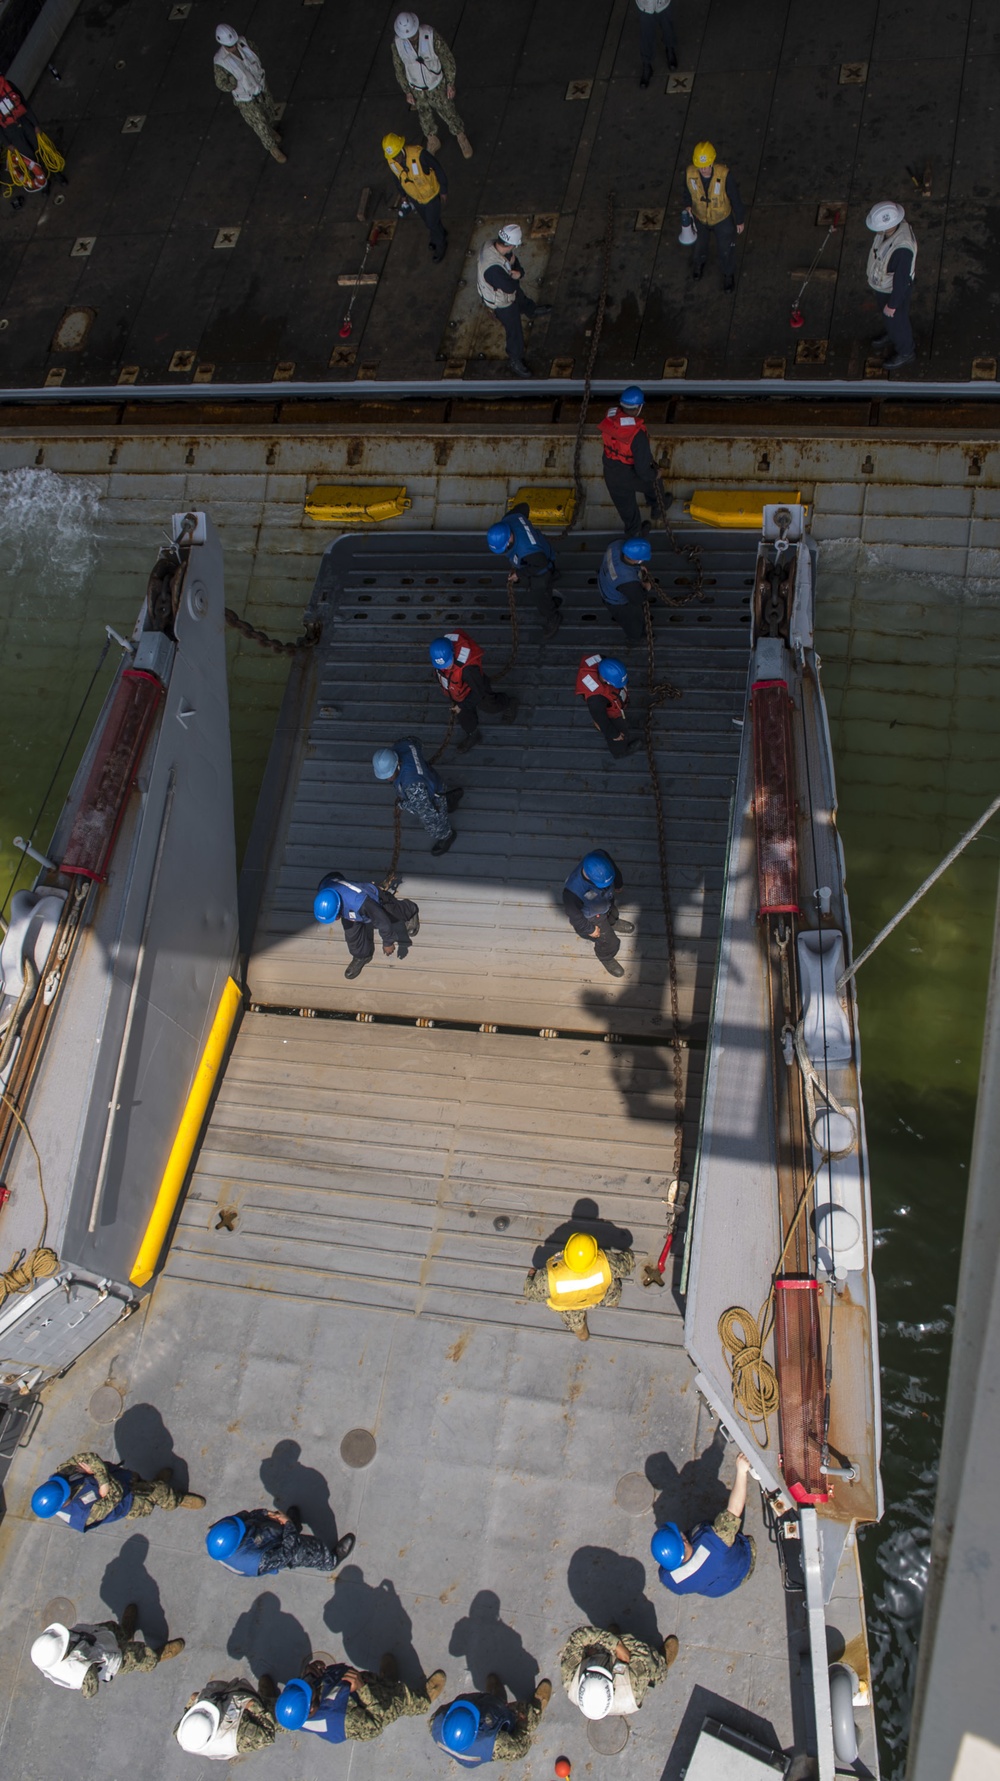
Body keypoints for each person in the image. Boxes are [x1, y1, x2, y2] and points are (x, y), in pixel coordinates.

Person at [276, 1652, 447, 1742]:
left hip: (352, 1688)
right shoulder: (342, 1720)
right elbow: (375, 1725)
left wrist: (310, 1673)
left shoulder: (293, 1712)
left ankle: (388, 1681)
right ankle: (422, 1701)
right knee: (397, 1701)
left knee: (381, 1683)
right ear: (312, 1708)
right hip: (369, 1706)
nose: (308, 1683)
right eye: (308, 1687)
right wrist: (363, 1689)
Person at [652, 1451, 757, 1597]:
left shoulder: (670, 1579)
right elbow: (734, 1511)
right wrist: (741, 1471)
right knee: (734, 1531)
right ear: (683, 1541)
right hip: (742, 1568)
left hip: (718, 1588)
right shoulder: (715, 1541)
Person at [31, 1607, 184, 1697]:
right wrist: (88, 1670)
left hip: (99, 1637)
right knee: (140, 1656)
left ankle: (126, 1632)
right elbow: (89, 1691)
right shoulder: (74, 1670)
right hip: (113, 1658)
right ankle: (157, 1655)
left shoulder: (46, 1652)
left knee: (114, 1630)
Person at [31, 1450, 205, 1529]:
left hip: (120, 1477)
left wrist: (102, 1481)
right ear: (63, 1503)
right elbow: (115, 1496)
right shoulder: (82, 1515)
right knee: (155, 1494)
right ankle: (176, 1500)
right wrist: (101, 1476)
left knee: (141, 1481)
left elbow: (88, 1457)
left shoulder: (61, 1477)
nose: (67, 1484)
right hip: (128, 1501)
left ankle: (156, 1483)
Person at [521, 1233, 636, 1340]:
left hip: (569, 1306)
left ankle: (583, 1335)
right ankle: (612, 1302)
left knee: (575, 1323)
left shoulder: (550, 1277)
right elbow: (627, 1265)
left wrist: (530, 1276)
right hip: (598, 1297)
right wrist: (628, 1254)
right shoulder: (606, 1263)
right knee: (612, 1283)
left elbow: (530, 1293)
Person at [392, 12, 472, 158]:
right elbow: (399, 68)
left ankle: (461, 137)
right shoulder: (397, 44)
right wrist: (407, 91)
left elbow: (446, 58)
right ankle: (432, 140)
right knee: (424, 115)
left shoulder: (430, 35)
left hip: (436, 83)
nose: (412, 37)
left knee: (448, 110)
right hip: (416, 87)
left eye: (413, 34)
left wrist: (450, 83)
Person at [313, 871, 420, 981]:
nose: (336, 919)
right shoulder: (325, 888)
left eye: (335, 916)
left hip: (372, 901)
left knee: (392, 913)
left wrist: (388, 942)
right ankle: (362, 956)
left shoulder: (360, 902)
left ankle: (411, 910)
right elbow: (334, 875)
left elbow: (382, 921)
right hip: (350, 908)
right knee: (352, 935)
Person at [559, 1622, 678, 1719]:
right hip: (628, 1680)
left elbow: (578, 1636)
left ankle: (611, 1637)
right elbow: (643, 1654)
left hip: (599, 1657)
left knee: (603, 1641)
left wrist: (615, 1644)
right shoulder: (632, 1690)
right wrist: (620, 1648)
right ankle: (661, 1666)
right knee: (648, 1661)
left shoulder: (570, 1679)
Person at [477, 224, 552, 378]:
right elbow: (510, 287)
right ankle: (515, 359)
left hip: (505, 290)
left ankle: (532, 310)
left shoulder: (490, 245)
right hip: (501, 302)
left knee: (521, 298)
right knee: (514, 330)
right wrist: (518, 274)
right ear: (511, 245)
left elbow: (513, 262)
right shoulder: (494, 269)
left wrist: (516, 270)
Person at [430, 1677, 552, 1765]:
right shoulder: (490, 1742)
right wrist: (521, 1724)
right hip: (486, 1745)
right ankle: (537, 1708)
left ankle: (496, 1698)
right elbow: (519, 1750)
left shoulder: (436, 1724)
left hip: (468, 1756)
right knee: (523, 1718)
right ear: (477, 1730)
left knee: (488, 1703)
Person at [205, 1505, 356, 1576]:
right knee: (310, 1551)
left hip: (262, 1536)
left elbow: (245, 1516)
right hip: (278, 1550)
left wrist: (266, 1513)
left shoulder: (224, 1533)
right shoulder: (257, 1560)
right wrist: (288, 1525)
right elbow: (287, 1553)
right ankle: (330, 1561)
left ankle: (291, 1525)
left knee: (278, 1525)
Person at [429, 631, 515, 753]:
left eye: (447, 664)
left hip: (475, 686)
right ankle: (473, 734)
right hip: (458, 691)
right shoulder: (441, 661)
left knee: (491, 706)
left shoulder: (468, 670)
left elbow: (479, 692)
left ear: (453, 653)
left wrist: (462, 706)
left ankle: (509, 702)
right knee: (465, 718)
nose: (445, 668)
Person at [373, 738, 461, 856]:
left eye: (390, 775)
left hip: (432, 796)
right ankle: (450, 801)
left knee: (434, 824)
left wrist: (402, 805)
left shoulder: (412, 786)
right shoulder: (405, 745)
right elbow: (417, 742)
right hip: (432, 780)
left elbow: (424, 810)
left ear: (397, 764)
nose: (388, 779)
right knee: (440, 795)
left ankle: (447, 835)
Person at [213, 24, 286, 163]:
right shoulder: (220, 62)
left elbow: (256, 53)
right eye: (230, 46)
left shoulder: (245, 43)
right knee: (259, 123)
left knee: (269, 111)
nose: (233, 47)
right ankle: (272, 148)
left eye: (234, 44)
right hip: (246, 98)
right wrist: (232, 83)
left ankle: (271, 131)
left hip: (261, 87)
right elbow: (221, 84)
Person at [486, 505, 561, 640]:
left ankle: (553, 617)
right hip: (543, 547)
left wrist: (519, 574)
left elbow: (541, 564)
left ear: (509, 538)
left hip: (542, 565)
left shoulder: (527, 549)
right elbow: (524, 507)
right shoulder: (510, 518)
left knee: (537, 594)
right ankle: (553, 574)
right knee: (546, 566)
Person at [600, 386, 664, 536]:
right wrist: (656, 474)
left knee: (627, 509)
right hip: (628, 473)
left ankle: (634, 532)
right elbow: (643, 472)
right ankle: (658, 507)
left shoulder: (610, 416)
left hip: (610, 471)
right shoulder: (638, 435)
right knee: (655, 483)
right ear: (639, 408)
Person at [562, 849, 634, 980]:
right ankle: (605, 956)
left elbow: (614, 870)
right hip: (593, 916)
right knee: (609, 941)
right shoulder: (572, 892)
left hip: (606, 901)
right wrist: (589, 929)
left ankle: (613, 922)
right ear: (588, 876)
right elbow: (575, 917)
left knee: (613, 913)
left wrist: (618, 883)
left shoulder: (600, 855)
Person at [686, 141, 746, 291]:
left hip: (722, 219)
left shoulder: (724, 175)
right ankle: (699, 263)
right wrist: (688, 206)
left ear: (712, 162)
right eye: (701, 167)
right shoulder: (690, 174)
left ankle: (728, 274)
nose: (704, 170)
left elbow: (735, 198)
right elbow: (686, 193)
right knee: (699, 245)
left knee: (726, 249)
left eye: (707, 166)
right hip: (700, 218)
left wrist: (739, 220)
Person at [0, 73, 65, 209]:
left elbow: (24, 103)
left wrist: (35, 124)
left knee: (42, 150)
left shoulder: (8, 84)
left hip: (25, 123)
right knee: (30, 159)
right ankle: (44, 184)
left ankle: (57, 174)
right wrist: (8, 144)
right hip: (12, 134)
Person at [865, 200, 917, 372]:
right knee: (890, 319)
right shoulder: (891, 232)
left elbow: (901, 282)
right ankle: (892, 332)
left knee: (897, 320)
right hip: (884, 287)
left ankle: (906, 351)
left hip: (893, 292)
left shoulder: (902, 250)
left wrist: (893, 305)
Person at [382, 131, 448, 262]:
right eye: (393, 157)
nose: (396, 160)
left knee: (431, 223)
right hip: (415, 198)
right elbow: (397, 178)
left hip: (431, 197)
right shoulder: (392, 162)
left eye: (397, 156)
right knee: (429, 221)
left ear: (402, 148)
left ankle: (441, 245)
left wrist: (444, 190)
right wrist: (403, 195)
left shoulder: (419, 155)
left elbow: (438, 168)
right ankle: (440, 234)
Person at [175, 1677, 277, 1759]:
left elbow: (184, 1721)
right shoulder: (234, 1738)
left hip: (227, 1697)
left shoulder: (181, 1734)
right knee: (277, 1716)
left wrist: (191, 1704)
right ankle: (270, 1701)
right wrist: (254, 1707)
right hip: (238, 1724)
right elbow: (268, 1736)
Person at [575, 653, 641, 762]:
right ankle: (620, 752)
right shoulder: (595, 699)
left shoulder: (602, 660)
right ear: (606, 680)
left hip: (605, 699)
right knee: (619, 734)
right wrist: (614, 734)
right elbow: (601, 719)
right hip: (606, 710)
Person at [599, 535, 654, 647]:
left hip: (604, 582)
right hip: (615, 601)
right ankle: (634, 638)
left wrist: (637, 568)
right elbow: (637, 599)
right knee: (632, 622)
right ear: (636, 559)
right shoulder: (627, 580)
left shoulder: (616, 543)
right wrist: (647, 587)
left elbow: (620, 562)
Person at [635, 0, 678, 87]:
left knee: (667, 27)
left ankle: (670, 49)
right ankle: (647, 65)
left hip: (663, 3)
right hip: (645, 6)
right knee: (646, 34)